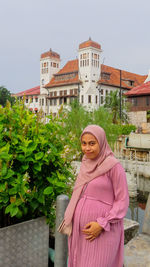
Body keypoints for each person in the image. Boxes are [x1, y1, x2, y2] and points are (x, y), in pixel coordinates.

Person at [58, 125, 129, 267]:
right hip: (80, 233)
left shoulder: (113, 166)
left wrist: (102, 223)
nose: (87, 148)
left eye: (92, 143)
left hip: (103, 232)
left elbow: (122, 201)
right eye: (84, 143)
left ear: (101, 143)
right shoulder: (85, 163)